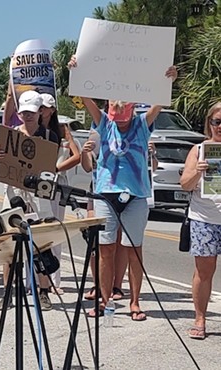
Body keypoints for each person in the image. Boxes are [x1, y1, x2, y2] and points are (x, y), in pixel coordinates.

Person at [69, 56, 177, 320]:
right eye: (117, 117)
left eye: (124, 117)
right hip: (107, 193)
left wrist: (169, 79)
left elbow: (159, 103)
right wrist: (76, 71)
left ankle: (135, 302)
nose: (120, 122)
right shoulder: (105, 122)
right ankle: (105, 302)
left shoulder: (141, 124)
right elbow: (86, 100)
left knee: (134, 249)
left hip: (136, 194)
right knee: (105, 249)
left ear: (131, 111)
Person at [0, 91, 60, 311]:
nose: (27, 116)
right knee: (10, 241)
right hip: (13, 191)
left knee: (42, 243)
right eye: (24, 112)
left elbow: (51, 167)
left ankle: (43, 292)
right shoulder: (10, 135)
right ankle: (8, 291)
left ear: (40, 112)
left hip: (39, 193)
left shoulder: (49, 137)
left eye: (31, 112)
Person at [180, 102, 221, 340]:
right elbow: (185, 184)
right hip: (205, 218)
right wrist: (199, 171)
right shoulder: (198, 150)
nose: (220, 127)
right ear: (210, 123)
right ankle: (200, 318)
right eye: (217, 122)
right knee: (204, 271)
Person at [40, 93, 81, 293]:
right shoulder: (33, 129)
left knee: (55, 230)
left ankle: (55, 280)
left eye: (45, 107)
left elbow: (77, 156)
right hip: (38, 185)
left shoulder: (62, 130)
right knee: (38, 230)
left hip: (57, 184)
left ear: (52, 110)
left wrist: (56, 168)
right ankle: (36, 281)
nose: (41, 110)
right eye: (39, 106)